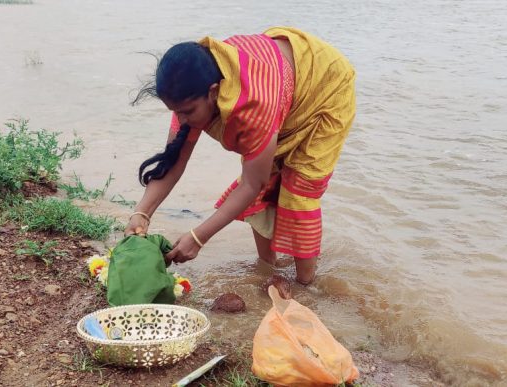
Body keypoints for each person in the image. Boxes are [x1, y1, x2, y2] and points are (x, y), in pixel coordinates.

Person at [125, 27, 355, 285]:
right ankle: (268, 269)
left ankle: (306, 285)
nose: (181, 119)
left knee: (298, 188)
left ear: (214, 92)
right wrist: (141, 214)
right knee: (267, 178)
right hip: (280, 80)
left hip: (325, 86)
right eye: (175, 111)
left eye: (187, 111)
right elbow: (175, 161)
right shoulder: (189, 90)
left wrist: (199, 237)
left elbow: (251, 184)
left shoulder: (252, 105)